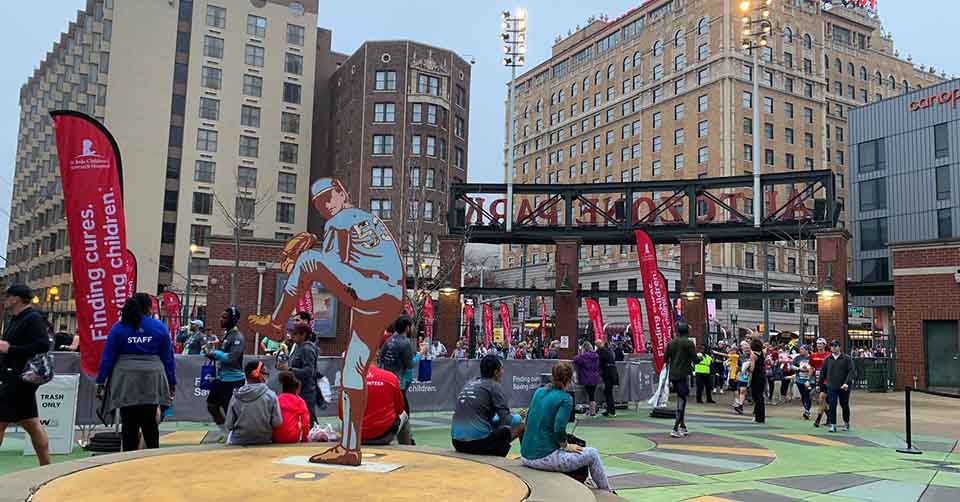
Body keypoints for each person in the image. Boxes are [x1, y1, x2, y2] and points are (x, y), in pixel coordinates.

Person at [249, 178, 404, 465]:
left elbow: (329, 266)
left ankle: (275, 323)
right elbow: (346, 266)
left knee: (308, 260)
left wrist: (301, 263)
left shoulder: (340, 220)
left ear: (342, 193)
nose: (325, 206)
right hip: (384, 293)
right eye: (320, 204)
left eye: (328, 198)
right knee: (352, 370)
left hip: (370, 287)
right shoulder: (369, 220)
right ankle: (350, 448)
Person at [95, 293, 176, 452]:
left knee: (128, 422)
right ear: (148, 308)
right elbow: (168, 359)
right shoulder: (159, 327)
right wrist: (171, 381)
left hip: (126, 378)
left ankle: (128, 460)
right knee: (150, 422)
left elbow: (108, 357)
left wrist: (101, 381)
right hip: (152, 377)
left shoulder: (119, 327)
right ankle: (152, 457)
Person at [521, 362, 613, 492]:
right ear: (570, 379)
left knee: (575, 448)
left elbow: (529, 418)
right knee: (592, 453)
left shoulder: (539, 392)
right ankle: (608, 493)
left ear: (552, 376)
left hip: (525, 456)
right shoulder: (566, 399)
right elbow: (558, 428)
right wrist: (566, 446)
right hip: (543, 458)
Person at [0, 285, 52, 466]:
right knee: (30, 421)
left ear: (16, 299)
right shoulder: (15, 318)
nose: (4, 299)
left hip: (19, 378)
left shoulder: (33, 318)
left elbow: (43, 345)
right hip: (15, 377)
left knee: (3, 420)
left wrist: (9, 348)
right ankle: (46, 467)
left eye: (7, 296)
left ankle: (46, 466)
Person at [451, 354, 524, 456]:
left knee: (495, 426)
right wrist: (519, 416)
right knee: (521, 426)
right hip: (477, 444)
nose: (503, 372)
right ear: (496, 372)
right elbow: (507, 421)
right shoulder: (494, 386)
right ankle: (527, 459)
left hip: (457, 443)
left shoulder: (470, 383)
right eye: (502, 369)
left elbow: (487, 420)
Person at [205, 306, 246, 440]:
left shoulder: (237, 336)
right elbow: (223, 356)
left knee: (231, 411)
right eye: (221, 316)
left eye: (224, 317)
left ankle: (234, 436)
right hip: (222, 378)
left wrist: (215, 353)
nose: (221, 319)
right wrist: (211, 355)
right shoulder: (227, 334)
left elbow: (232, 357)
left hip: (233, 380)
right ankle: (225, 432)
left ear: (233, 320)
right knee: (212, 405)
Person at [357, 352, 412, 445]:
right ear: (377, 357)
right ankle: (408, 450)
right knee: (404, 415)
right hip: (384, 436)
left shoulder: (349, 379)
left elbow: (342, 415)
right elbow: (399, 410)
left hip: (355, 437)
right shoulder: (391, 377)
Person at [225, 361, 282, 445]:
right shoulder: (271, 395)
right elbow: (277, 423)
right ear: (258, 374)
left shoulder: (236, 396)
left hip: (238, 441)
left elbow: (229, 425)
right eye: (265, 373)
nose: (267, 376)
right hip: (265, 440)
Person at [664, 327, 699, 437]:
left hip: (673, 375)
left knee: (681, 397)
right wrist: (700, 358)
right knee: (682, 400)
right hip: (683, 374)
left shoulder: (670, 343)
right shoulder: (688, 343)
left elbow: (665, 359)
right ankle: (675, 428)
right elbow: (695, 359)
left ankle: (682, 426)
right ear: (687, 332)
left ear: (677, 332)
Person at [281, 325, 318, 426]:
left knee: (309, 419)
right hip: (297, 389)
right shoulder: (298, 347)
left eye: (295, 333)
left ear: (303, 335)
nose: (292, 336)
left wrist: (289, 370)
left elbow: (309, 371)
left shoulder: (307, 349)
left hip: (306, 390)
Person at [380, 316, 416, 412]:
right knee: (403, 407)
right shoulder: (405, 343)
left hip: (387, 379)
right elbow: (410, 364)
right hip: (399, 381)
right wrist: (420, 354)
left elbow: (381, 358)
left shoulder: (388, 340)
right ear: (407, 328)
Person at [819, 340, 856, 433]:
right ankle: (833, 425)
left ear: (839, 347)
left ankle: (846, 423)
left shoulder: (846, 358)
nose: (834, 347)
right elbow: (822, 373)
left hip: (844, 387)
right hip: (831, 386)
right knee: (832, 404)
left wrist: (847, 383)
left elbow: (851, 371)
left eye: (835, 346)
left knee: (844, 405)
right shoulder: (827, 360)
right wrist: (819, 385)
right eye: (832, 346)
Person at [273, 371, 311, 444]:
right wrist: (304, 438)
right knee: (299, 423)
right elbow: (305, 423)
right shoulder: (300, 401)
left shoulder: (277, 399)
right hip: (292, 437)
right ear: (296, 389)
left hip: (276, 438)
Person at [572, 342, 601, 416]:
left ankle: (592, 412)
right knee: (592, 395)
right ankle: (592, 411)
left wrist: (580, 353)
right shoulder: (596, 356)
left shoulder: (583, 356)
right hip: (595, 377)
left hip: (586, 377)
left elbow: (575, 359)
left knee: (589, 395)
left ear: (584, 348)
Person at [809, 338, 831, 427]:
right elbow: (811, 368)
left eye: (821, 343)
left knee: (822, 398)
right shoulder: (813, 356)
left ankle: (818, 419)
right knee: (822, 401)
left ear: (825, 345)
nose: (819, 345)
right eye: (817, 343)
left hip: (827, 380)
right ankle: (830, 417)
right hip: (817, 380)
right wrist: (808, 379)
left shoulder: (829, 355)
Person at [596, 339, 619, 417]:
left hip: (608, 373)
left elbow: (598, 361)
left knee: (608, 392)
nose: (596, 346)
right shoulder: (608, 351)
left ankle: (611, 411)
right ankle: (609, 409)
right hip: (612, 372)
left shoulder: (600, 351)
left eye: (597, 345)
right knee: (608, 391)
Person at [792, 345, 813, 419]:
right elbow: (792, 366)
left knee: (807, 394)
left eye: (802, 349)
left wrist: (809, 369)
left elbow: (815, 366)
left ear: (807, 350)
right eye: (800, 349)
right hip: (799, 380)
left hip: (810, 380)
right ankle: (806, 409)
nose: (800, 350)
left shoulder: (811, 357)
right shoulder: (797, 358)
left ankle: (807, 410)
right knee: (803, 395)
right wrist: (798, 368)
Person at [749, 338, 766, 424]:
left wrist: (747, 368)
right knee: (761, 397)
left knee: (756, 397)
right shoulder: (762, 353)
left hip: (756, 376)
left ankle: (757, 417)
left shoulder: (753, 355)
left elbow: (752, 368)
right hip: (762, 376)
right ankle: (761, 417)